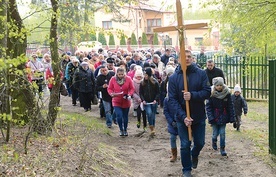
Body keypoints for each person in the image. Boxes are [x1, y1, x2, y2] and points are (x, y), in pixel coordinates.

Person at [168, 50, 211, 177]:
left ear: (192, 58)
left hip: (198, 116)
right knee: (185, 144)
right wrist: (183, 117)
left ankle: (195, 154)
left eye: (189, 57)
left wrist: (192, 95)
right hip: (182, 118)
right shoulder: (174, 78)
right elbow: (172, 100)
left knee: (199, 143)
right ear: (179, 59)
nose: (187, 59)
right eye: (183, 57)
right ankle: (186, 169)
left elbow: (207, 92)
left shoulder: (201, 74)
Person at [206, 77, 235, 156]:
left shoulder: (227, 93)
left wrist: (232, 117)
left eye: (221, 85)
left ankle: (222, 148)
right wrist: (210, 117)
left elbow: (230, 106)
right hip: (215, 117)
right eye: (217, 85)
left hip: (224, 115)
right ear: (215, 86)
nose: (219, 87)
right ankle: (214, 140)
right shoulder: (211, 94)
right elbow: (208, 107)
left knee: (222, 133)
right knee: (215, 133)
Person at [107, 68, 135, 136]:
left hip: (126, 100)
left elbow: (132, 88)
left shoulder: (128, 79)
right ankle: (121, 129)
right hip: (116, 100)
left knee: (125, 117)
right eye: (119, 74)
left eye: (122, 74)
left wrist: (129, 94)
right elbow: (109, 88)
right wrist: (111, 94)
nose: (120, 76)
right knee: (119, 115)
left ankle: (125, 129)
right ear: (117, 74)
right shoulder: (113, 79)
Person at [140, 67, 160, 137]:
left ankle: (153, 128)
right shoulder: (142, 83)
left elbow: (158, 92)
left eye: (146, 75)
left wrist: (156, 99)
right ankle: (151, 127)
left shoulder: (155, 82)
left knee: (153, 115)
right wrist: (143, 100)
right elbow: (141, 93)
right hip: (147, 102)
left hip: (153, 102)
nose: (145, 76)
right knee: (149, 113)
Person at [164, 93, 178, 162]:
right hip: (172, 122)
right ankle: (174, 155)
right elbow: (166, 112)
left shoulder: (180, 98)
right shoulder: (166, 100)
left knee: (184, 139)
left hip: (181, 121)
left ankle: (186, 153)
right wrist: (171, 122)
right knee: (172, 138)